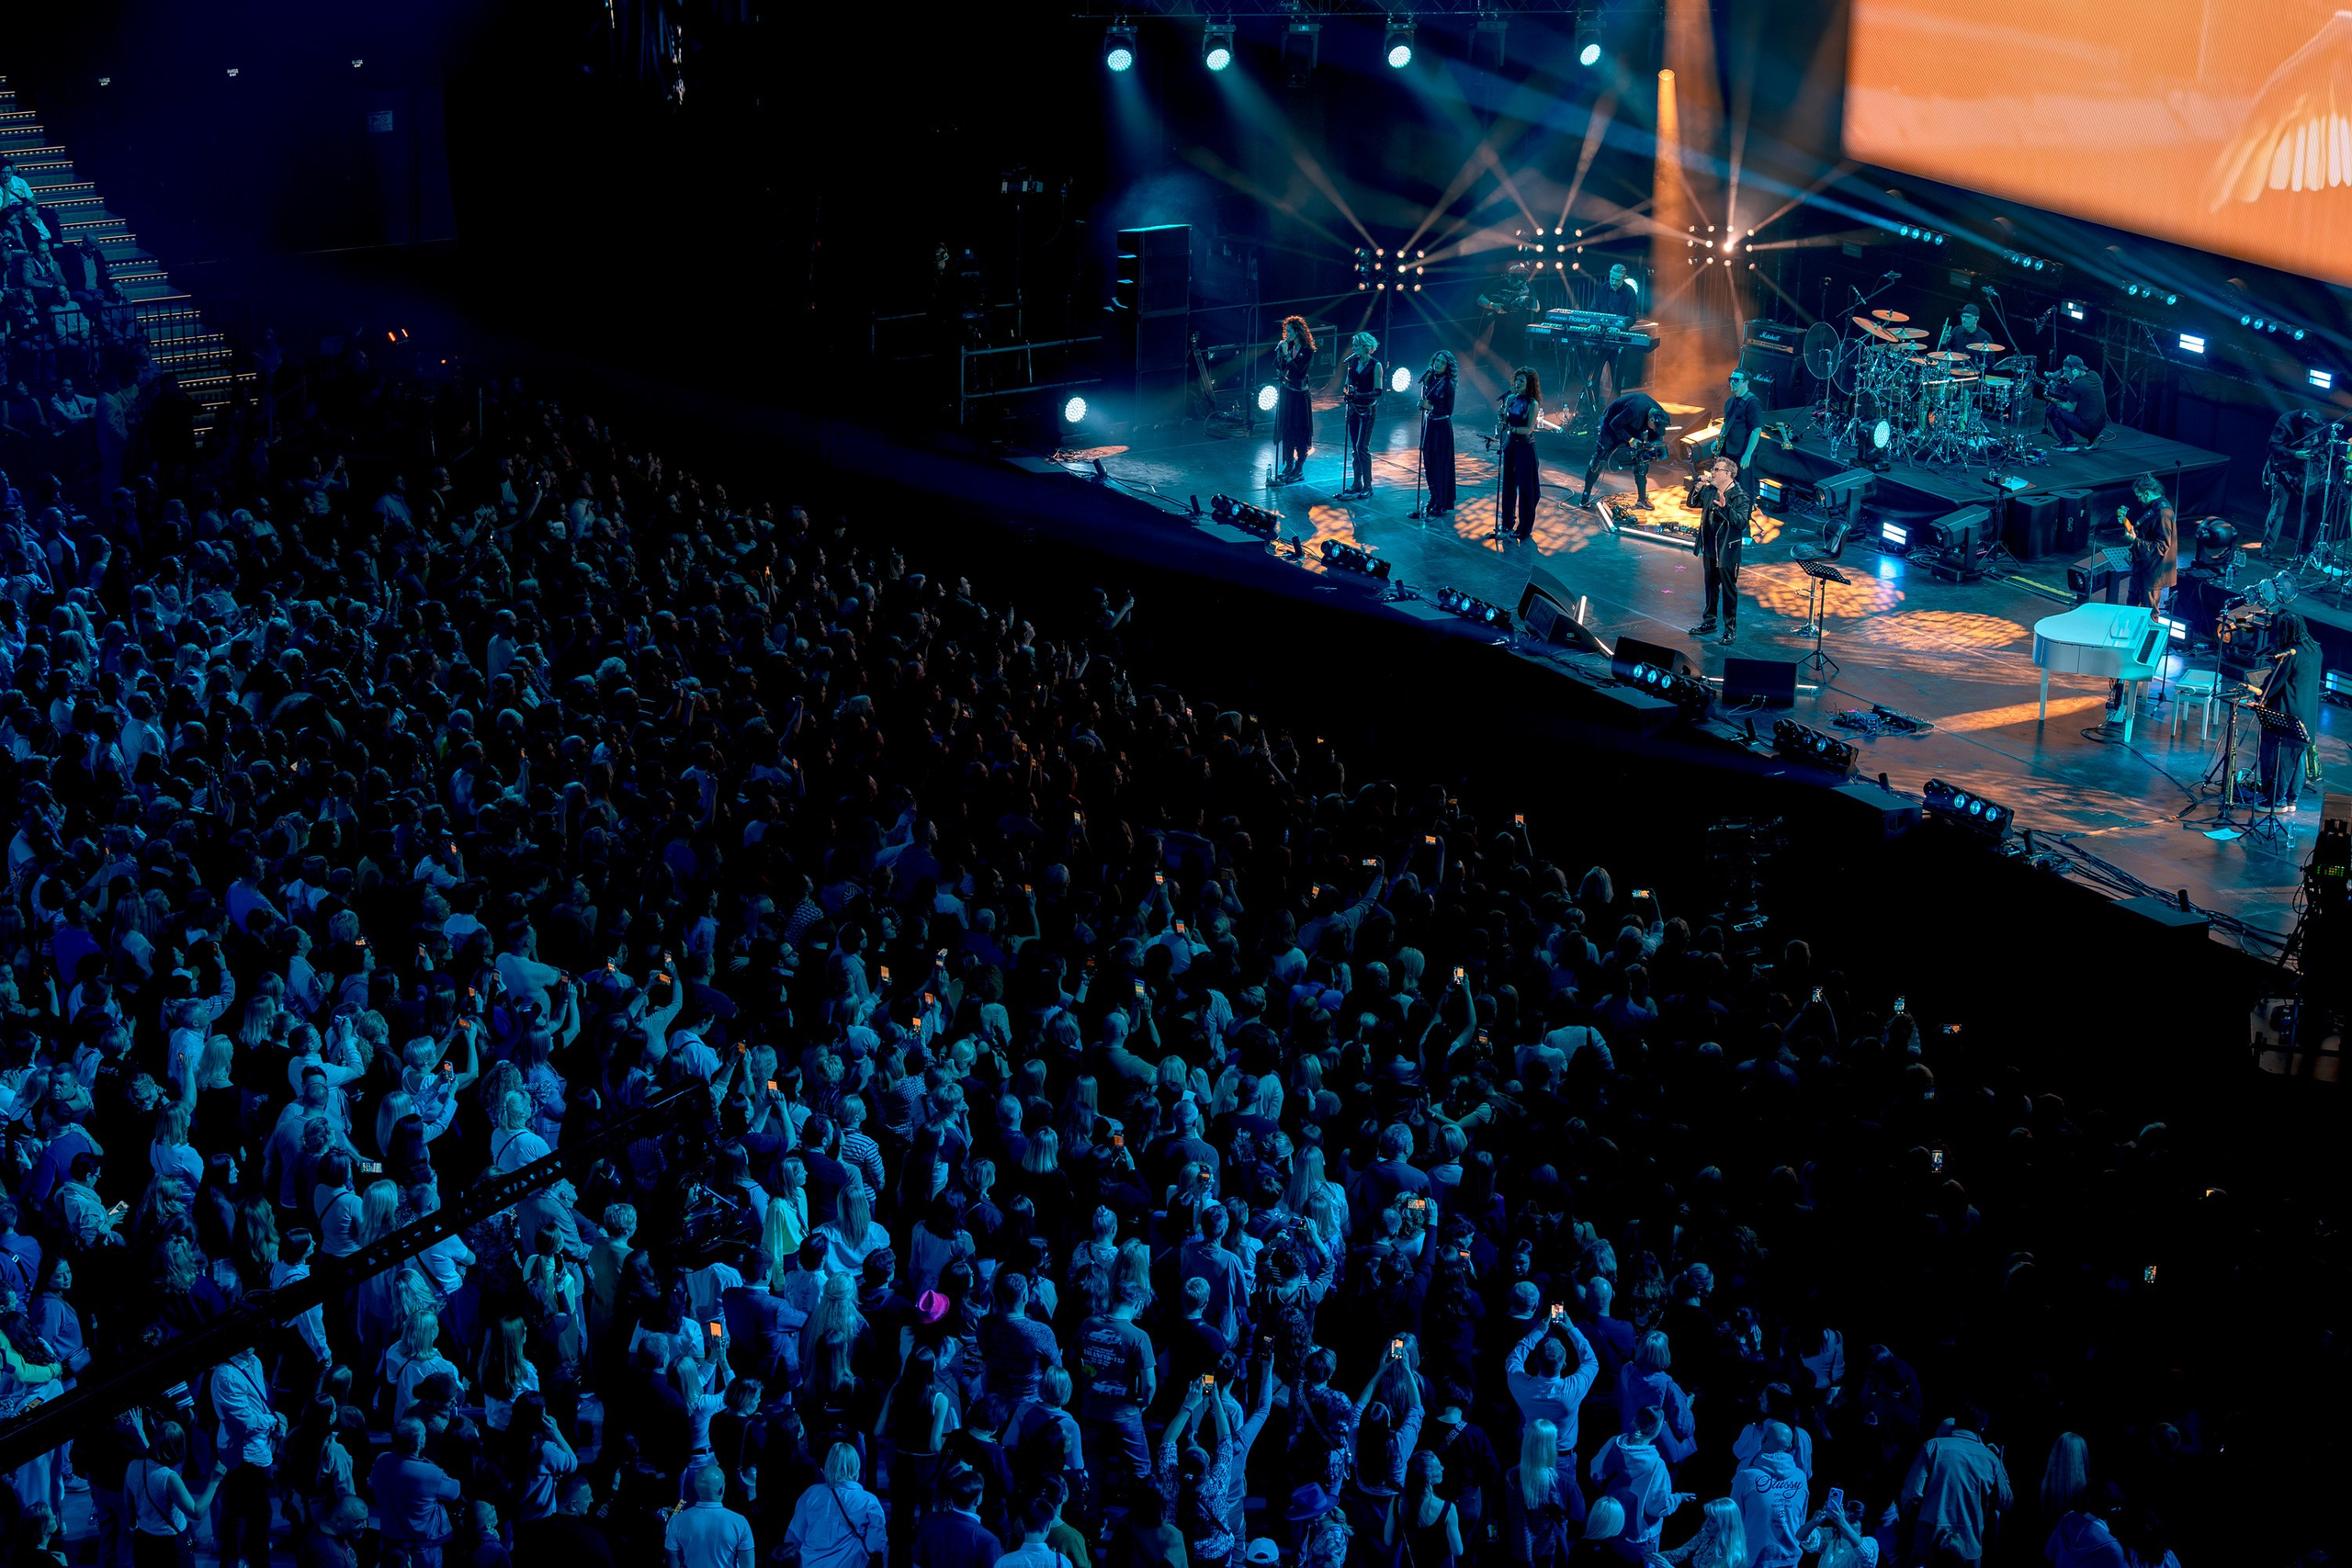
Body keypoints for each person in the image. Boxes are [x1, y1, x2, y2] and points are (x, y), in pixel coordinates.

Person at [1896, 1409, 2011, 1567]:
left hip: (1928, 1543)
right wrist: (2000, 1463)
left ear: (1956, 1422)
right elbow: (2005, 1501)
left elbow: (1911, 1495)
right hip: (1968, 1548)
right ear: (1982, 1428)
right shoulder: (1990, 1458)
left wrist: (1916, 1520)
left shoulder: (1933, 1446)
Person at [126, 1420, 223, 1568]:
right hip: (170, 1542)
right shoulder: (169, 1478)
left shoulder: (133, 1466)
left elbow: (129, 1507)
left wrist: (133, 1528)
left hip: (143, 1538)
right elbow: (196, 1512)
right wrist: (214, 1481)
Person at [2257, 610, 2324, 810]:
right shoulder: (2315, 649)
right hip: (2306, 715)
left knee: (2278, 758)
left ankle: (2276, 800)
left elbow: (2275, 684)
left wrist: (2261, 695)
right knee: (2298, 757)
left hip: (2287, 713)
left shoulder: (2292, 654)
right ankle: (2292, 799)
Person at [1689, 457, 1756, 645]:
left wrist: (1726, 509)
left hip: (1727, 550)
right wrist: (1698, 488)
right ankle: (1709, 621)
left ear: (1728, 474)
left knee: (1728, 590)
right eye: (1713, 469)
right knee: (1710, 587)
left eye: (1717, 470)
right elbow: (1693, 504)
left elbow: (1741, 523)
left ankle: (1730, 629)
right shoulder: (1711, 490)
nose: (1712, 472)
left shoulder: (1740, 497)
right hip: (1710, 546)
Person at [786, 1442, 886, 1568]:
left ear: (829, 1464)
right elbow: (875, 1546)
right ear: (856, 1466)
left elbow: (793, 1538)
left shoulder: (811, 1494)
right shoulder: (869, 1501)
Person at [1726, 1420, 1808, 1568]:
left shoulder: (1746, 1476)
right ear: (1789, 1447)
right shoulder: (1800, 1477)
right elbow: (1801, 1519)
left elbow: (1733, 1522)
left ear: (1762, 1440)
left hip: (1754, 1559)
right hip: (1790, 1559)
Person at [1579, 392, 1668, 513]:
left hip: (1633, 425)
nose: (1654, 430)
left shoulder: (1659, 414)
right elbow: (1614, 424)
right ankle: (1585, 496)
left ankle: (1642, 499)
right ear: (1651, 420)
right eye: (1654, 427)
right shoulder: (1635, 410)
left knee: (1641, 461)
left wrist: (1651, 447)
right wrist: (1630, 440)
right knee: (1600, 460)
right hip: (1611, 424)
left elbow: (1656, 434)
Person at [668, 1463, 758, 1568]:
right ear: (722, 1488)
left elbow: (673, 1561)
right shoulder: (740, 1522)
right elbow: (748, 1565)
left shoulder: (677, 1521)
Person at [2262, 407, 2327, 552]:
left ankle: (2305, 547)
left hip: (2305, 474)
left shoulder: (2318, 424)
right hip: (2283, 470)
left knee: (2316, 509)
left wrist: (2316, 452)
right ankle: (2267, 548)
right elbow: (2273, 446)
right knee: (2278, 510)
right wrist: (2295, 454)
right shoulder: (2286, 421)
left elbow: (2322, 446)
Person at [1499, 369, 1547, 543]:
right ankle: (1507, 522)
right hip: (1510, 444)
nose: (1517, 384)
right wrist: (1502, 419)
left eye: (1522, 381)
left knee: (1526, 489)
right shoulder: (1511, 399)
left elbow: (1528, 429)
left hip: (1524, 448)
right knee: (1508, 485)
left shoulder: (1532, 404)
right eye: (1517, 380)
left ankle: (1524, 529)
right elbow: (1506, 420)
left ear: (1529, 384)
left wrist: (1511, 428)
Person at [2119, 475, 2177, 613]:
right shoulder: (2154, 508)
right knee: (2132, 607)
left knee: (2148, 612)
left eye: (2139, 496)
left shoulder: (2163, 513)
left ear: (2147, 493)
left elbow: (2161, 546)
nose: (2138, 499)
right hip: (2142, 568)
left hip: (2152, 572)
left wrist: (2135, 540)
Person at [1339, 333, 1385, 500]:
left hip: (1367, 410)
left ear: (1365, 347)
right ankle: (1356, 483)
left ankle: (1368, 486)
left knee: (1362, 448)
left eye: (1356, 346)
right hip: (1353, 408)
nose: (1353, 349)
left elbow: (1378, 391)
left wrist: (1359, 395)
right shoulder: (1353, 363)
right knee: (1354, 447)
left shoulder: (1376, 365)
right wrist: (1347, 393)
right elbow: (1347, 384)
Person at [1274, 318, 1317, 484]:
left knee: (1299, 430)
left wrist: (1287, 355)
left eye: (1290, 331)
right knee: (1287, 429)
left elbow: (1299, 372)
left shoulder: (1307, 351)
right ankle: (1288, 464)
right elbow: (1278, 367)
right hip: (1288, 394)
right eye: (1286, 331)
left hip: (1300, 396)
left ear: (1298, 332)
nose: (1287, 334)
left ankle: (1299, 468)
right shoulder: (1289, 347)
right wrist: (1280, 353)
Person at [1419, 350, 1458, 516]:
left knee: (1439, 465)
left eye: (1442, 362)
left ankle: (1442, 501)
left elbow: (1449, 410)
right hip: (1430, 424)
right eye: (1437, 361)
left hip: (1442, 428)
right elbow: (1427, 400)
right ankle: (1433, 496)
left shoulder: (1449, 384)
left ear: (1448, 366)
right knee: (1428, 463)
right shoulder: (1430, 379)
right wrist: (1423, 405)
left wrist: (1431, 407)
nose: (1438, 364)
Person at [1714, 371, 1765, 491]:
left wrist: (1747, 454)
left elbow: (1756, 430)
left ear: (1746, 383)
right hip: (1729, 451)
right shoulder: (1730, 401)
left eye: (1736, 380)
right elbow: (1726, 423)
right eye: (1731, 379)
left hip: (1742, 452)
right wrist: (1719, 441)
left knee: (1744, 487)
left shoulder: (1753, 403)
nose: (1732, 382)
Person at [2043, 355, 2107, 449]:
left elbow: (2070, 408)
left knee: (2052, 409)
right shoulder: (2094, 375)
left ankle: (2068, 443)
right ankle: (2093, 438)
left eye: (2066, 371)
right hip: (2100, 425)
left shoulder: (2076, 384)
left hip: (2087, 427)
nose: (2065, 374)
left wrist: (2052, 399)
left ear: (2075, 371)